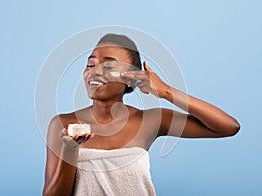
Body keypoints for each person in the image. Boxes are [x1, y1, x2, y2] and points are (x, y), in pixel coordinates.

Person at [42, 33, 240, 196]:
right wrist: (69, 151)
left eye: (109, 66)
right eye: (90, 64)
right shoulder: (63, 124)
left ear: (131, 78)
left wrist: (166, 91)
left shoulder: (150, 120)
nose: (94, 72)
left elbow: (228, 127)